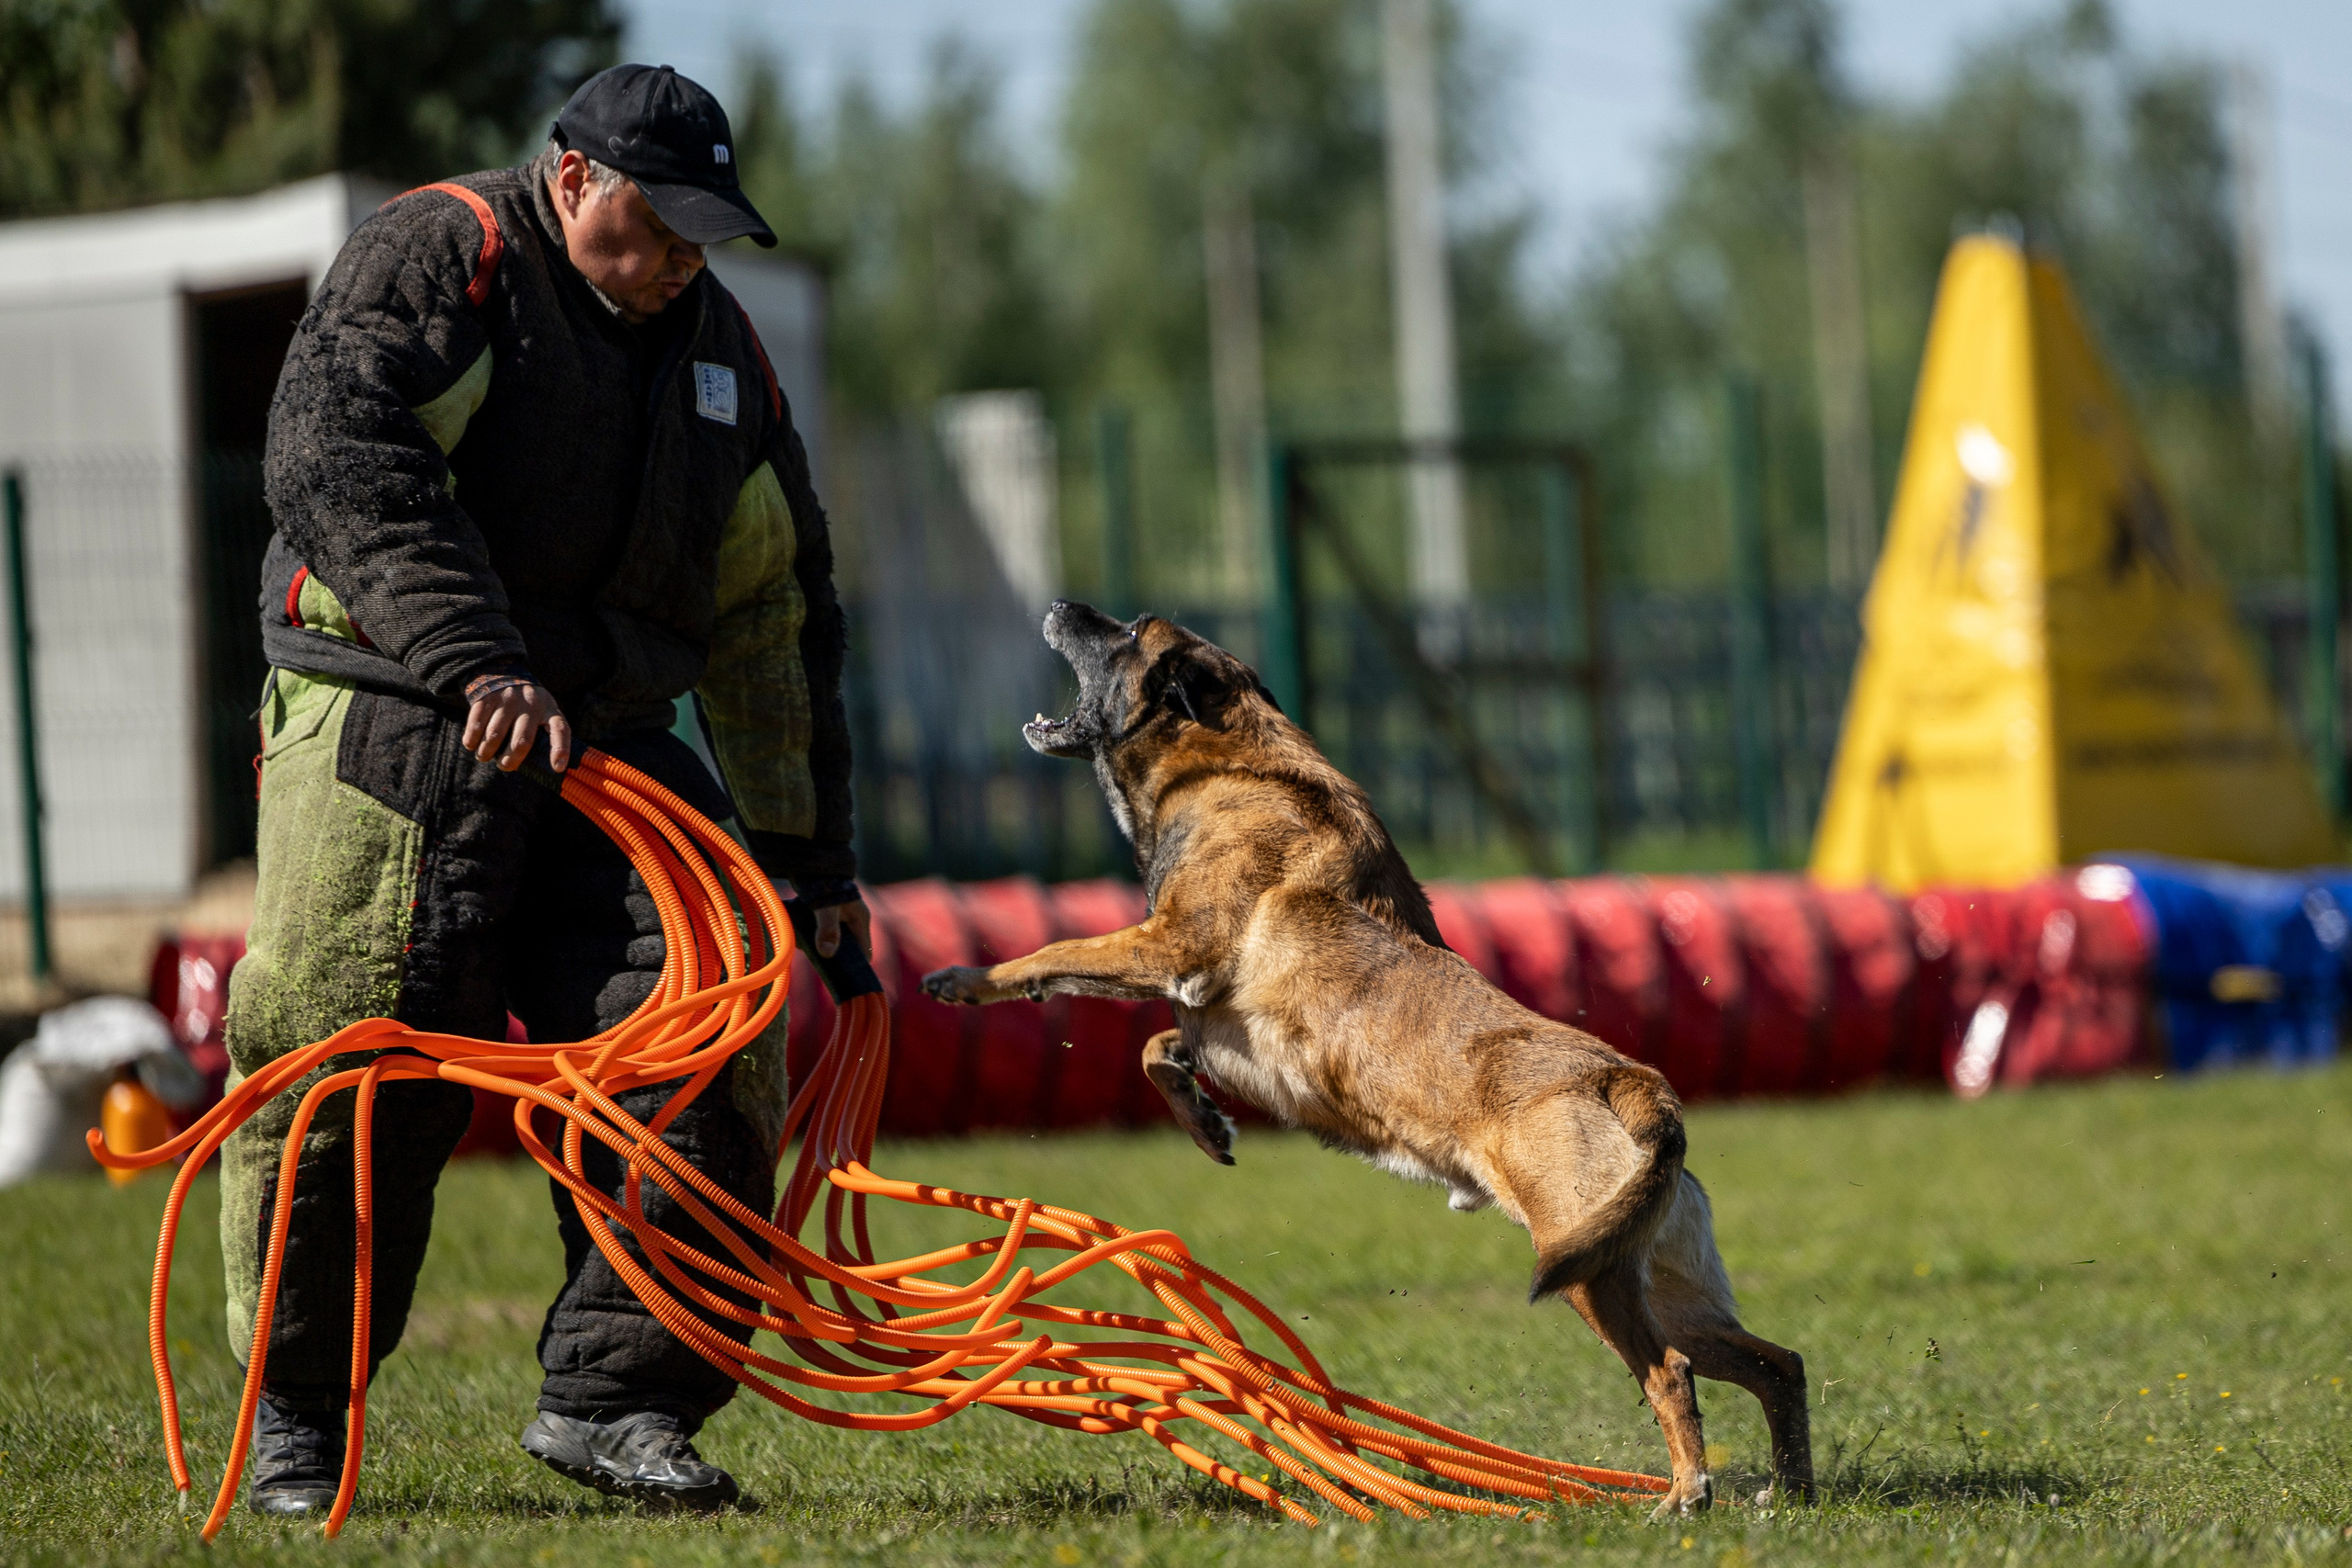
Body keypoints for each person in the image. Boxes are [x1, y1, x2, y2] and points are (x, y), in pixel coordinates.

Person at [223, 62, 865, 1516]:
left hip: (614, 734)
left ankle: (622, 1401)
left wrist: (811, 861)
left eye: (708, 230)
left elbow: (773, 613)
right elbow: (337, 453)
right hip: (393, 699)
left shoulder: (722, 354)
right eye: (663, 224)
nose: (687, 257)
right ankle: (297, 1421)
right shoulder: (443, 254)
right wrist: (472, 654)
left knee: (713, 1023)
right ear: (574, 181)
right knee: (350, 1031)